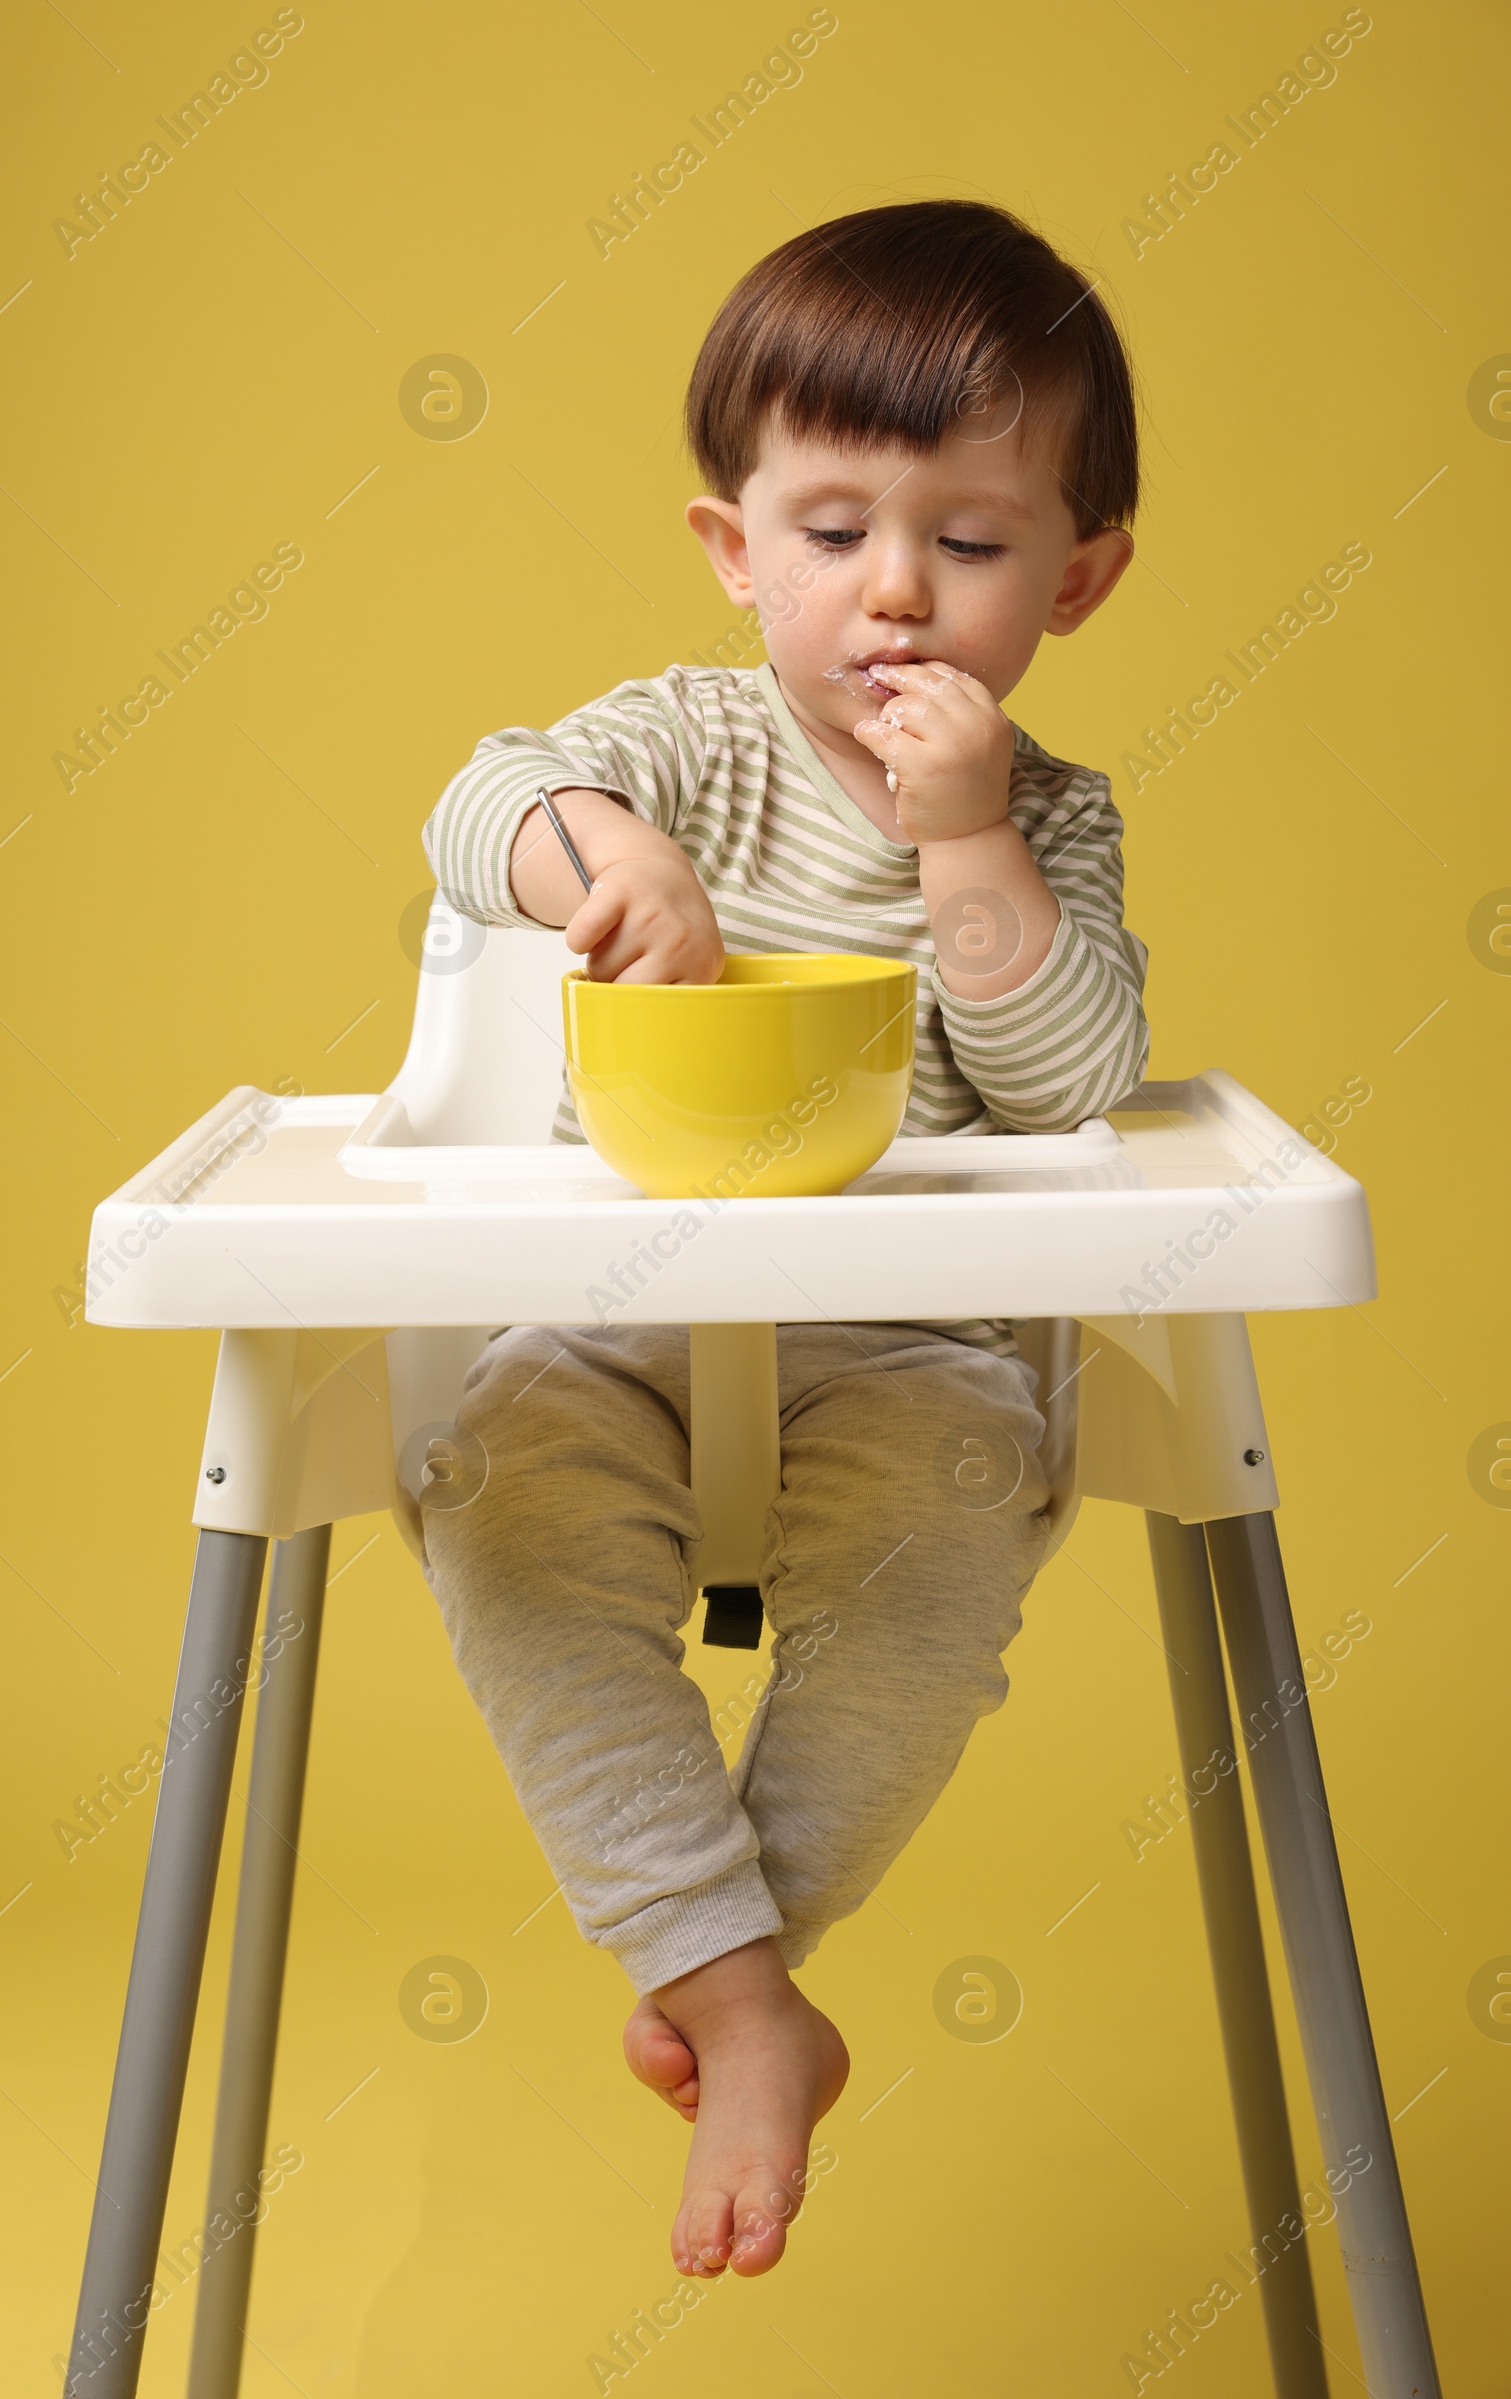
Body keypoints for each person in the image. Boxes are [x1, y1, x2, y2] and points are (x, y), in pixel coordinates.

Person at [421, 198, 1148, 2283]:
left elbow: (1070, 1084)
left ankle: (736, 1959)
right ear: (736, 551)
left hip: (898, 1341)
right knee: (482, 1488)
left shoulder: (1047, 814)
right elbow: (481, 796)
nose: (895, 593)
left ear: (1074, 579)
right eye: (829, 532)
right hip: (615, 1328)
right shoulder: (682, 741)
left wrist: (971, 839)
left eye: (973, 543)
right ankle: (749, 2014)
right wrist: (607, 850)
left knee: (959, 1528)